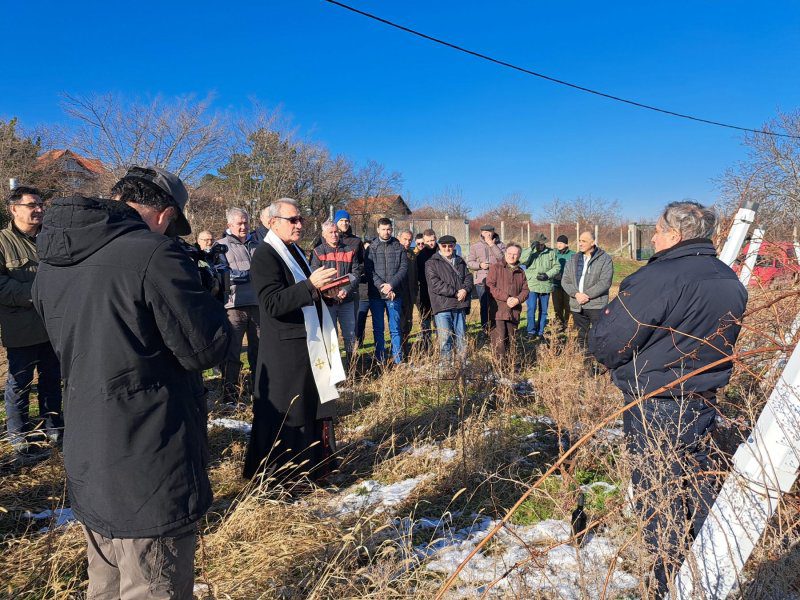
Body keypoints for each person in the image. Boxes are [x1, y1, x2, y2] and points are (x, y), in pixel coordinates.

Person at [32, 166, 231, 598]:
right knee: (153, 582)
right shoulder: (153, 254)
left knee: (104, 582)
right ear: (163, 213)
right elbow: (206, 349)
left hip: (90, 448)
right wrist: (208, 295)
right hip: (150, 456)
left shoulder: (53, 259)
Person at [589, 201, 747, 596]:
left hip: (656, 400)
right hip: (704, 397)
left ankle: (664, 581)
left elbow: (610, 340)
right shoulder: (728, 278)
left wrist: (608, 352)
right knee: (696, 479)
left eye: (657, 230)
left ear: (676, 235)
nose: (653, 237)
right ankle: (709, 565)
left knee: (657, 489)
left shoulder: (657, 278)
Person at [243, 198, 345, 480]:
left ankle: (311, 468)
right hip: (285, 350)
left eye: (301, 219)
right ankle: (283, 476)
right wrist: (311, 286)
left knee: (310, 406)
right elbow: (272, 303)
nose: (299, 224)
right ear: (273, 223)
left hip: (306, 343)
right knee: (292, 413)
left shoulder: (295, 251)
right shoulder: (265, 254)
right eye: (293, 220)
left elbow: (303, 292)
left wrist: (326, 292)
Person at [1, 186, 63, 459]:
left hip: (54, 327)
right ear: (14, 209)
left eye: (40, 204)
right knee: (19, 383)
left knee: (53, 379)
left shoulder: (52, 239)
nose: (39, 209)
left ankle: (54, 427)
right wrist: (37, 294)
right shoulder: (2, 243)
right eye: (31, 205)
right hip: (22, 328)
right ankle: (19, 435)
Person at [217, 208, 261, 404]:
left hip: (258, 305)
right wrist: (253, 275)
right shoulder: (221, 246)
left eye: (246, 222)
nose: (243, 226)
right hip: (234, 307)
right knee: (233, 353)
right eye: (239, 223)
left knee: (259, 352)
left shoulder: (258, 245)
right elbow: (225, 275)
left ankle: (260, 391)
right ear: (229, 225)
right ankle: (230, 396)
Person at [310, 220, 362, 365]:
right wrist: (329, 291)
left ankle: (352, 368)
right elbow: (315, 274)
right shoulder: (318, 252)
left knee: (350, 335)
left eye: (336, 232)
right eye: (330, 233)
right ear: (324, 235)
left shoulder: (350, 250)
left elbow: (356, 273)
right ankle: (334, 368)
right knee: (330, 336)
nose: (334, 235)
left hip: (347, 300)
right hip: (328, 302)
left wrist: (346, 289)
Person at [364, 218, 407, 364]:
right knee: (378, 329)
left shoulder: (398, 246)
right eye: (383, 229)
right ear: (378, 230)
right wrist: (383, 286)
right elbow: (369, 270)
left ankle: (398, 359)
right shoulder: (371, 248)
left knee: (395, 328)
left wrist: (392, 285)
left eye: (388, 229)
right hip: (377, 295)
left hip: (394, 294)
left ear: (392, 229)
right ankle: (380, 358)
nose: (386, 232)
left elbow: (403, 268)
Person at [560, 230, 613, 348]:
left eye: (584, 241)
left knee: (598, 334)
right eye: (579, 240)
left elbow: (605, 282)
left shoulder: (605, 259)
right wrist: (577, 294)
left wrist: (586, 295)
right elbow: (565, 280)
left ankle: (598, 360)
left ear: (593, 242)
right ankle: (585, 360)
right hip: (577, 304)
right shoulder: (573, 259)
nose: (580, 243)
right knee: (581, 335)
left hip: (596, 305)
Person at [425, 235, 473, 363]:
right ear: (439, 246)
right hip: (442, 306)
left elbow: (468, 277)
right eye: (444, 246)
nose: (447, 248)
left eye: (450, 246)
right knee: (445, 338)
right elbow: (435, 284)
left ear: (454, 246)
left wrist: (465, 290)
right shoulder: (431, 263)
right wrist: (456, 292)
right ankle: (446, 366)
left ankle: (462, 365)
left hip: (460, 304)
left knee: (461, 337)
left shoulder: (460, 261)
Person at [486, 243, 529, 358]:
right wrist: (507, 298)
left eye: (515, 254)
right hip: (498, 311)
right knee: (499, 343)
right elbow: (490, 286)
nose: (512, 256)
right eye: (509, 253)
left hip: (513, 312)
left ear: (519, 256)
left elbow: (526, 290)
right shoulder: (496, 267)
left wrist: (517, 299)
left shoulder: (521, 272)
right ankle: (499, 370)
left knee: (512, 342)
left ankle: (510, 368)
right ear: (505, 253)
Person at [520, 233, 560, 340]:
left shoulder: (551, 253)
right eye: (538, 244)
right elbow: (522, 260)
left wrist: (547, 275)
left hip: (546, 285)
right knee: (531, 309)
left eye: (541, 244)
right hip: (532, 285)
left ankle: (541, 331)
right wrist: (531, 249)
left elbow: (557, 266)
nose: (540, 246)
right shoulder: (529, 252)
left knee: (543, 310)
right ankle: (531, 331)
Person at [467, 224, 505, 333]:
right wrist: (480, 265)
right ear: (481, 233)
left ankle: (496, 327)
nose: (487, 234)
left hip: (497, 280)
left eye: (489, 232)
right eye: (484, 232)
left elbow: (502, 259)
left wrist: (492, 244)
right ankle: (485, 329)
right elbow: (470, 263)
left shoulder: (501, 245)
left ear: (493, 232)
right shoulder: (475, 246)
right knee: (484, 305)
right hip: (481, 280)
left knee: (496, 304)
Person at [416, 229, 438, 350]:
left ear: (436, 239)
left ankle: (442, 347)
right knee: (425, 322)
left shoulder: (441, 251)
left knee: (439, 322)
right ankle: (427, 347)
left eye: (432, 240)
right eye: (428, 241)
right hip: (425, 293)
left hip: (439, 293)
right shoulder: (420, 256)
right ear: (424, 241)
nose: (430, 243)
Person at [397, 230, 418, 357]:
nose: (407, 242)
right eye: (405, 239)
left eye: (410, 240)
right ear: (399, 238)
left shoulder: (411, 255)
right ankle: (398, 351)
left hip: (410, 293)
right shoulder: (395, 252)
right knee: (398, 323)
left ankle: (405, 348)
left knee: (408, 323)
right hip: (398, 293)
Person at [551, 235, 575, 331]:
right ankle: (559, 324)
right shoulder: (554, 254)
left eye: (561, 243)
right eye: (558, 243)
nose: (559, 245)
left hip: (568, 285)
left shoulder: (573, 255)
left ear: (566, 244)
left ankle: (568, 324)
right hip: (556, 284)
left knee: (568, 305)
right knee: (557, 306)